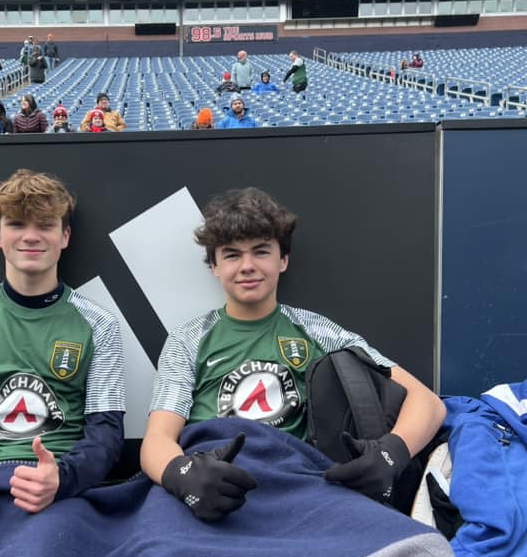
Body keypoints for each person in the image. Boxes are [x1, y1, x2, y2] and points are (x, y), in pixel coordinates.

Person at [140, 186, 445, 522]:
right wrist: (182, 475)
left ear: (282, 260)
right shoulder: (187, 339)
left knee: (417, 546)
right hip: (210, 487)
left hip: (298, 485)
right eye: (231, 255)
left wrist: (391, 454)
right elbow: (157, 439)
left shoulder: (318, 331)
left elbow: (428, 402)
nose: (247, 266)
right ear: (213, 265)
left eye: (261, 252)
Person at [0, 168, 126, 517]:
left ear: (64, 236)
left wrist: (62, 478)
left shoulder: (99, 323)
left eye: (45, 225)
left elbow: (105, 431)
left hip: (60, 489)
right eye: (17, 224)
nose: (31, 236)